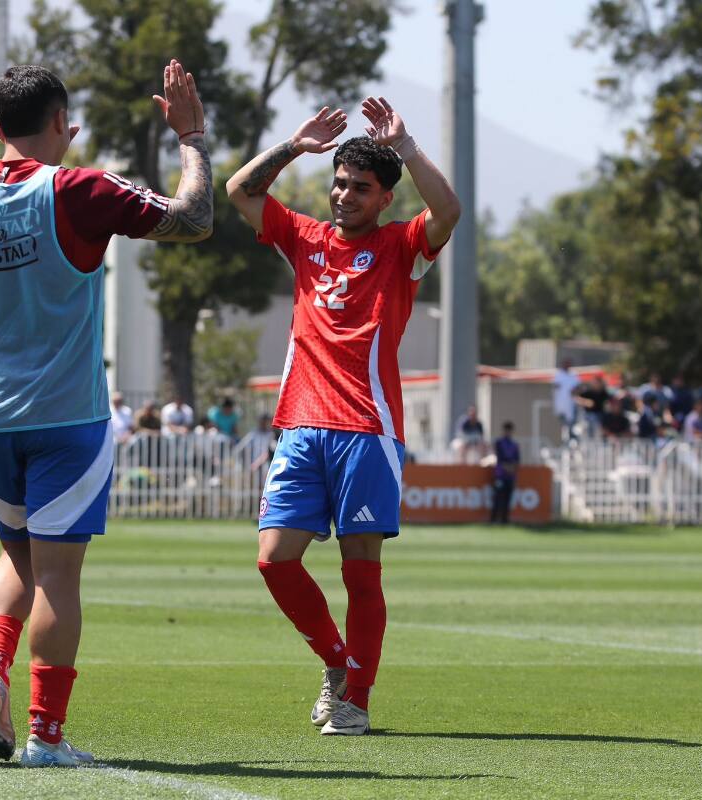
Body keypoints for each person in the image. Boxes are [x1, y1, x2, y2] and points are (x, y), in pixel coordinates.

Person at [0, 61, 212, 767]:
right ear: (61, 122)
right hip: (67, 414)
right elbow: (194, 218)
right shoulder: (78, 189)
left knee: (15, 557)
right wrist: (191, 136)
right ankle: (46, 737)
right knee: (59, 576)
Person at [226, 95, 460, 736]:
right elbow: (239, 189)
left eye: (359, 186)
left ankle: (355, 701)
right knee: (275, 560)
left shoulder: (401, 247)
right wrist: (295, 147)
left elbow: (449, 212)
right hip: (301, 425)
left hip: (368, 430)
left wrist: (407, 149)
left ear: (386, 197)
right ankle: (337, 663)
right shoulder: (303, 238)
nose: (343, 193)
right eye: (338, 182)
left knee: (361, 569)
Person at [490, 422, 519, 524]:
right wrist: (508, 467)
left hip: (510, 477)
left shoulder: (515, 445)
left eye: (509, 430)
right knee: (498, 498)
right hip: (500, 475)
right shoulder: (499, 443)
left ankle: (504, 520)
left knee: (507, 499)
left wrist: (512, 469)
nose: (508, 432)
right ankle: (493, 519)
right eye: (506, 430)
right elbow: (500, 458)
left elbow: (517, 460)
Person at [552, 360, 582, 443]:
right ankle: (565, 441)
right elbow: (555, 386)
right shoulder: (558, 375)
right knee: (564, 426)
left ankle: (573, 440)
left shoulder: (574, 375)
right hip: (561, 406)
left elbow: (578, 387)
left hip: (572, 406)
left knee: (573, 425)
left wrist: (575, 391)